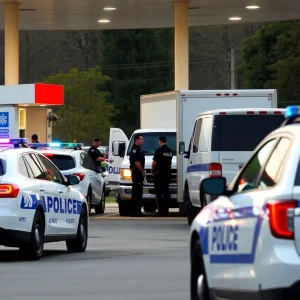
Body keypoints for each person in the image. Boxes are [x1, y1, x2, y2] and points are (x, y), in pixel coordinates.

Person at [152, 136, 173, 216]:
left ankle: (161, 210)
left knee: (158, 193)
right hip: (167, 174)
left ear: (160, 141)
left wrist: (153, 170)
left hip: (159, 174)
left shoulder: (158, 151)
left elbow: (154, 163)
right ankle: (166, 210)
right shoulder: (170, 151)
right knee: (166, 192)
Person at [129, 135, 145, 217]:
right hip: (137, 173)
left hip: (137, 173)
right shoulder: (135, 149)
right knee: (137, 193)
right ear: (137, 140)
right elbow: (136, 162)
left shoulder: (138, 149)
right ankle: (135, 211)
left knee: (138, 192)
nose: (143, 141)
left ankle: (137, 210)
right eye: (141, 139)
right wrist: (142, 171)